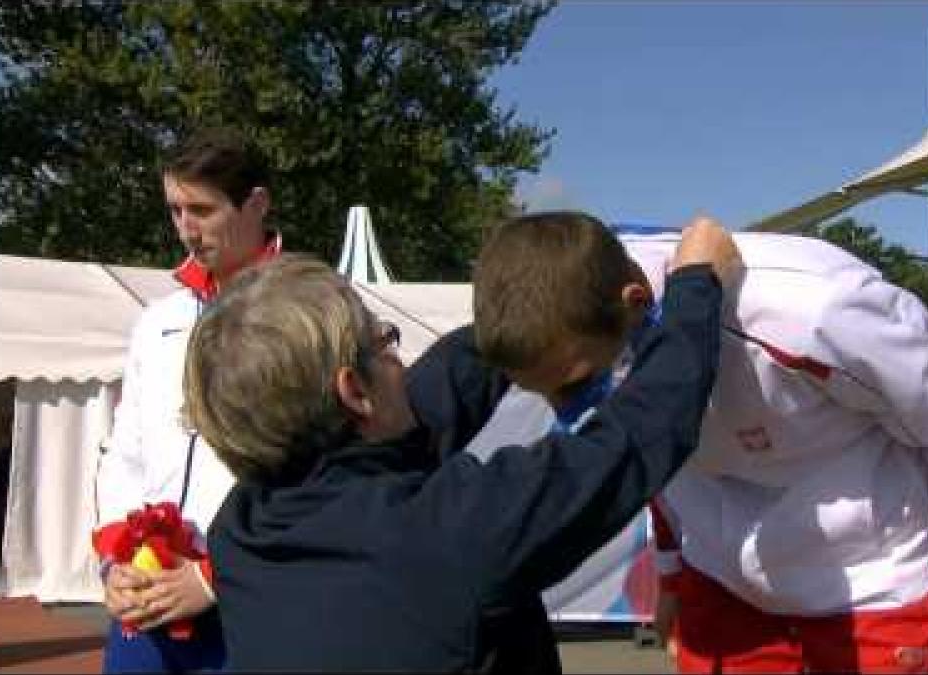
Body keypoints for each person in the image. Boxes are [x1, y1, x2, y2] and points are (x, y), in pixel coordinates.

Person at [186, 219, 741, 672]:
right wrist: (696, 283)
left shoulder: (240, 530)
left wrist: (535, 304)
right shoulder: (444, 535)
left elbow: (434, 399)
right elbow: (640, 433)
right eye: (386, 344)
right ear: (355, 393)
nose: (401, 363)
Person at [470, 212, 928, 674]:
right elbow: (659, 456)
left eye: (576, 384)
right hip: (722, 586)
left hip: (868, 586)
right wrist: (673, 578)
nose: (568, 411)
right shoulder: (574, 319)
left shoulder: (815, 308)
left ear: (634, 302)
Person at [93, 127, 280, 672]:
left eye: (201, 209)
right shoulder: (158, 321)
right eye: (175, 210)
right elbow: (125, 451)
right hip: (145, 599)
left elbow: (323, 469)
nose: (186, 230)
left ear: (257, 203)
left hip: (253, 605)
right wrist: (114, 561)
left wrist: (213, 576)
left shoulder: (309, 311)